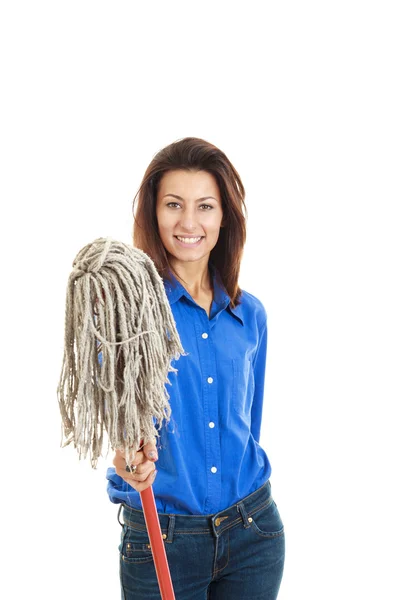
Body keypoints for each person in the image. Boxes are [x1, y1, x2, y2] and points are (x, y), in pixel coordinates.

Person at [106, 137, 285, 599]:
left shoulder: (251, 316)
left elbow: (250, 423)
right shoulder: (127, 317)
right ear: (153, 212)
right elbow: (113, 422)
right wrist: (127, 461)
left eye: (205, 206)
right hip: (160, 540)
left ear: (224, 217)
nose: (189, 222)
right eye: (173, 205)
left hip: (254, 533)